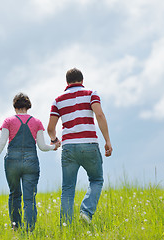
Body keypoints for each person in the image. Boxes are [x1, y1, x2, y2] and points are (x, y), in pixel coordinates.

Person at [0, 93, 61, 231]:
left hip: (12, 162)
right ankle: (30, 230)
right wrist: (54, 147)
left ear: (15, 107)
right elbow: (42, 147)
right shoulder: (36, 122)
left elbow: (1, 143)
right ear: (28, 106)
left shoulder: (8, 121)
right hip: (31, 162)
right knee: (29, 198)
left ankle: (16, 228)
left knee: (14, 195)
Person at [47, 68, 113, 225]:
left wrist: (55, 140)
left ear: (67, 82)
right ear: (82, 81)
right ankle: (86, 211)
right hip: (89, 144)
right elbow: (99, 115)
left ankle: (66, 226)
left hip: (69, 147)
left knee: (68, 189)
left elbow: (50, 128)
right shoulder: (91, 94)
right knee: (96, 180)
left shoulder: (58, 100)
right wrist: (107, 141)